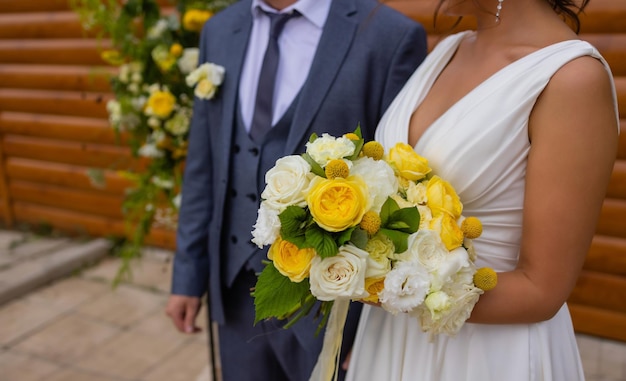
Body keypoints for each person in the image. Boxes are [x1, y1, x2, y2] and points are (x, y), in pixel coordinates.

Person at [344, 0, 619, 380]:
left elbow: (542, 291)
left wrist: (371, 284)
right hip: (395, 330)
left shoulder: (572, 80)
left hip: (486, 354)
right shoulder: (449, 49)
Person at [164, 0, 428, 380]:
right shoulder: (220, 30)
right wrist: (187, 275)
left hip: (332, 304)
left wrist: (369, 323)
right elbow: (204, 164)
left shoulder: (388, 35)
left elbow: (399, 186)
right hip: (235, 290)